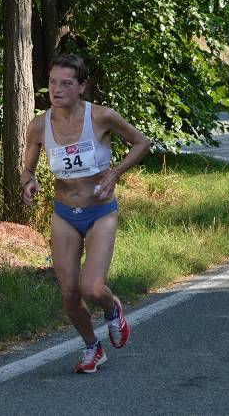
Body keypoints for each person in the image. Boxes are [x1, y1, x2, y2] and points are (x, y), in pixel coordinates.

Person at [21, 53, 152, 373]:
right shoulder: (39, 125)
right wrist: (29, 181)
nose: (57, 89)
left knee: (91, 288)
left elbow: (141, 142)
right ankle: (93, 347)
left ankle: (112, 308)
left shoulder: (102, 117)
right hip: (65, 213)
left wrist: (115, 172)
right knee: (68, 294)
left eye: (66, 83)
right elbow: (27, 168)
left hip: (100, 213)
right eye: (52, 83)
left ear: (82, 87)